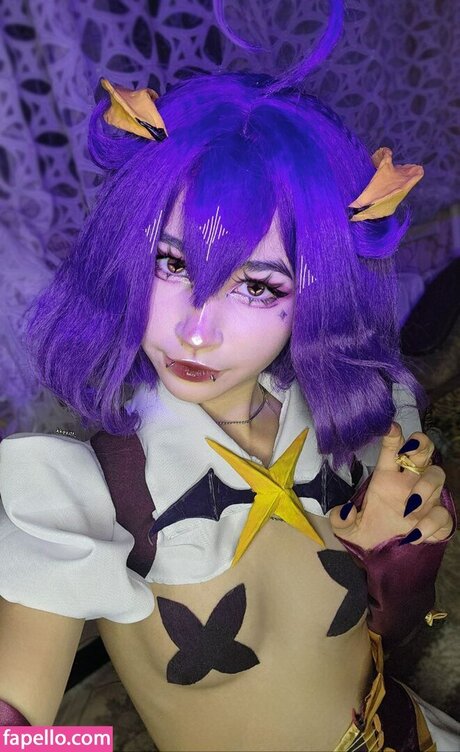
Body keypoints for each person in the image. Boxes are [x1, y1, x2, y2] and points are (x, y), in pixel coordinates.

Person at [0, 1, 458, 749]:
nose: (196, 329)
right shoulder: (85, 493)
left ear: (319, 293)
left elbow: (397, 629)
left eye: (257, 286)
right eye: (170, 263)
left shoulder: (357, 415)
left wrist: (394, 556)